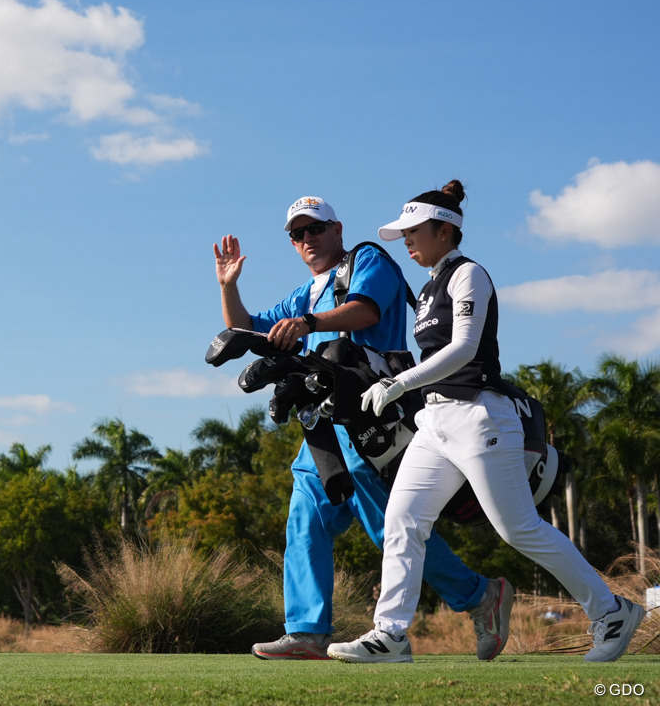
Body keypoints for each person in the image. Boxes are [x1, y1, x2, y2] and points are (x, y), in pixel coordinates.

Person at [327, 181, 644, 664]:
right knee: (403, 520)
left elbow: (465, 350)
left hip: (480, 416)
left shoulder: (468, 275)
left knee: (519, 529)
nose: (407, 240)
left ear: (445, 229)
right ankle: (389, 635)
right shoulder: (431, 284)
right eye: (404, 233)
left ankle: (611, 610)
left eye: (414, 231)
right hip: (435, 423)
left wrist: (398, 385)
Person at [216, 195, 511, 662]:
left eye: (315, 228)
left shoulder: (366, 259)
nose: (308, 239)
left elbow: (366, 311)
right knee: (305, 520)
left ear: (337, 229)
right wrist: (229, 286)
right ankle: (307, 632)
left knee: (387, 527)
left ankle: (480, 596)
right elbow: (248, 331)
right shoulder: (303, 294)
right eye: (298, 234)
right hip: (320, 426)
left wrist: (307, 323)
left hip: (372, 416)